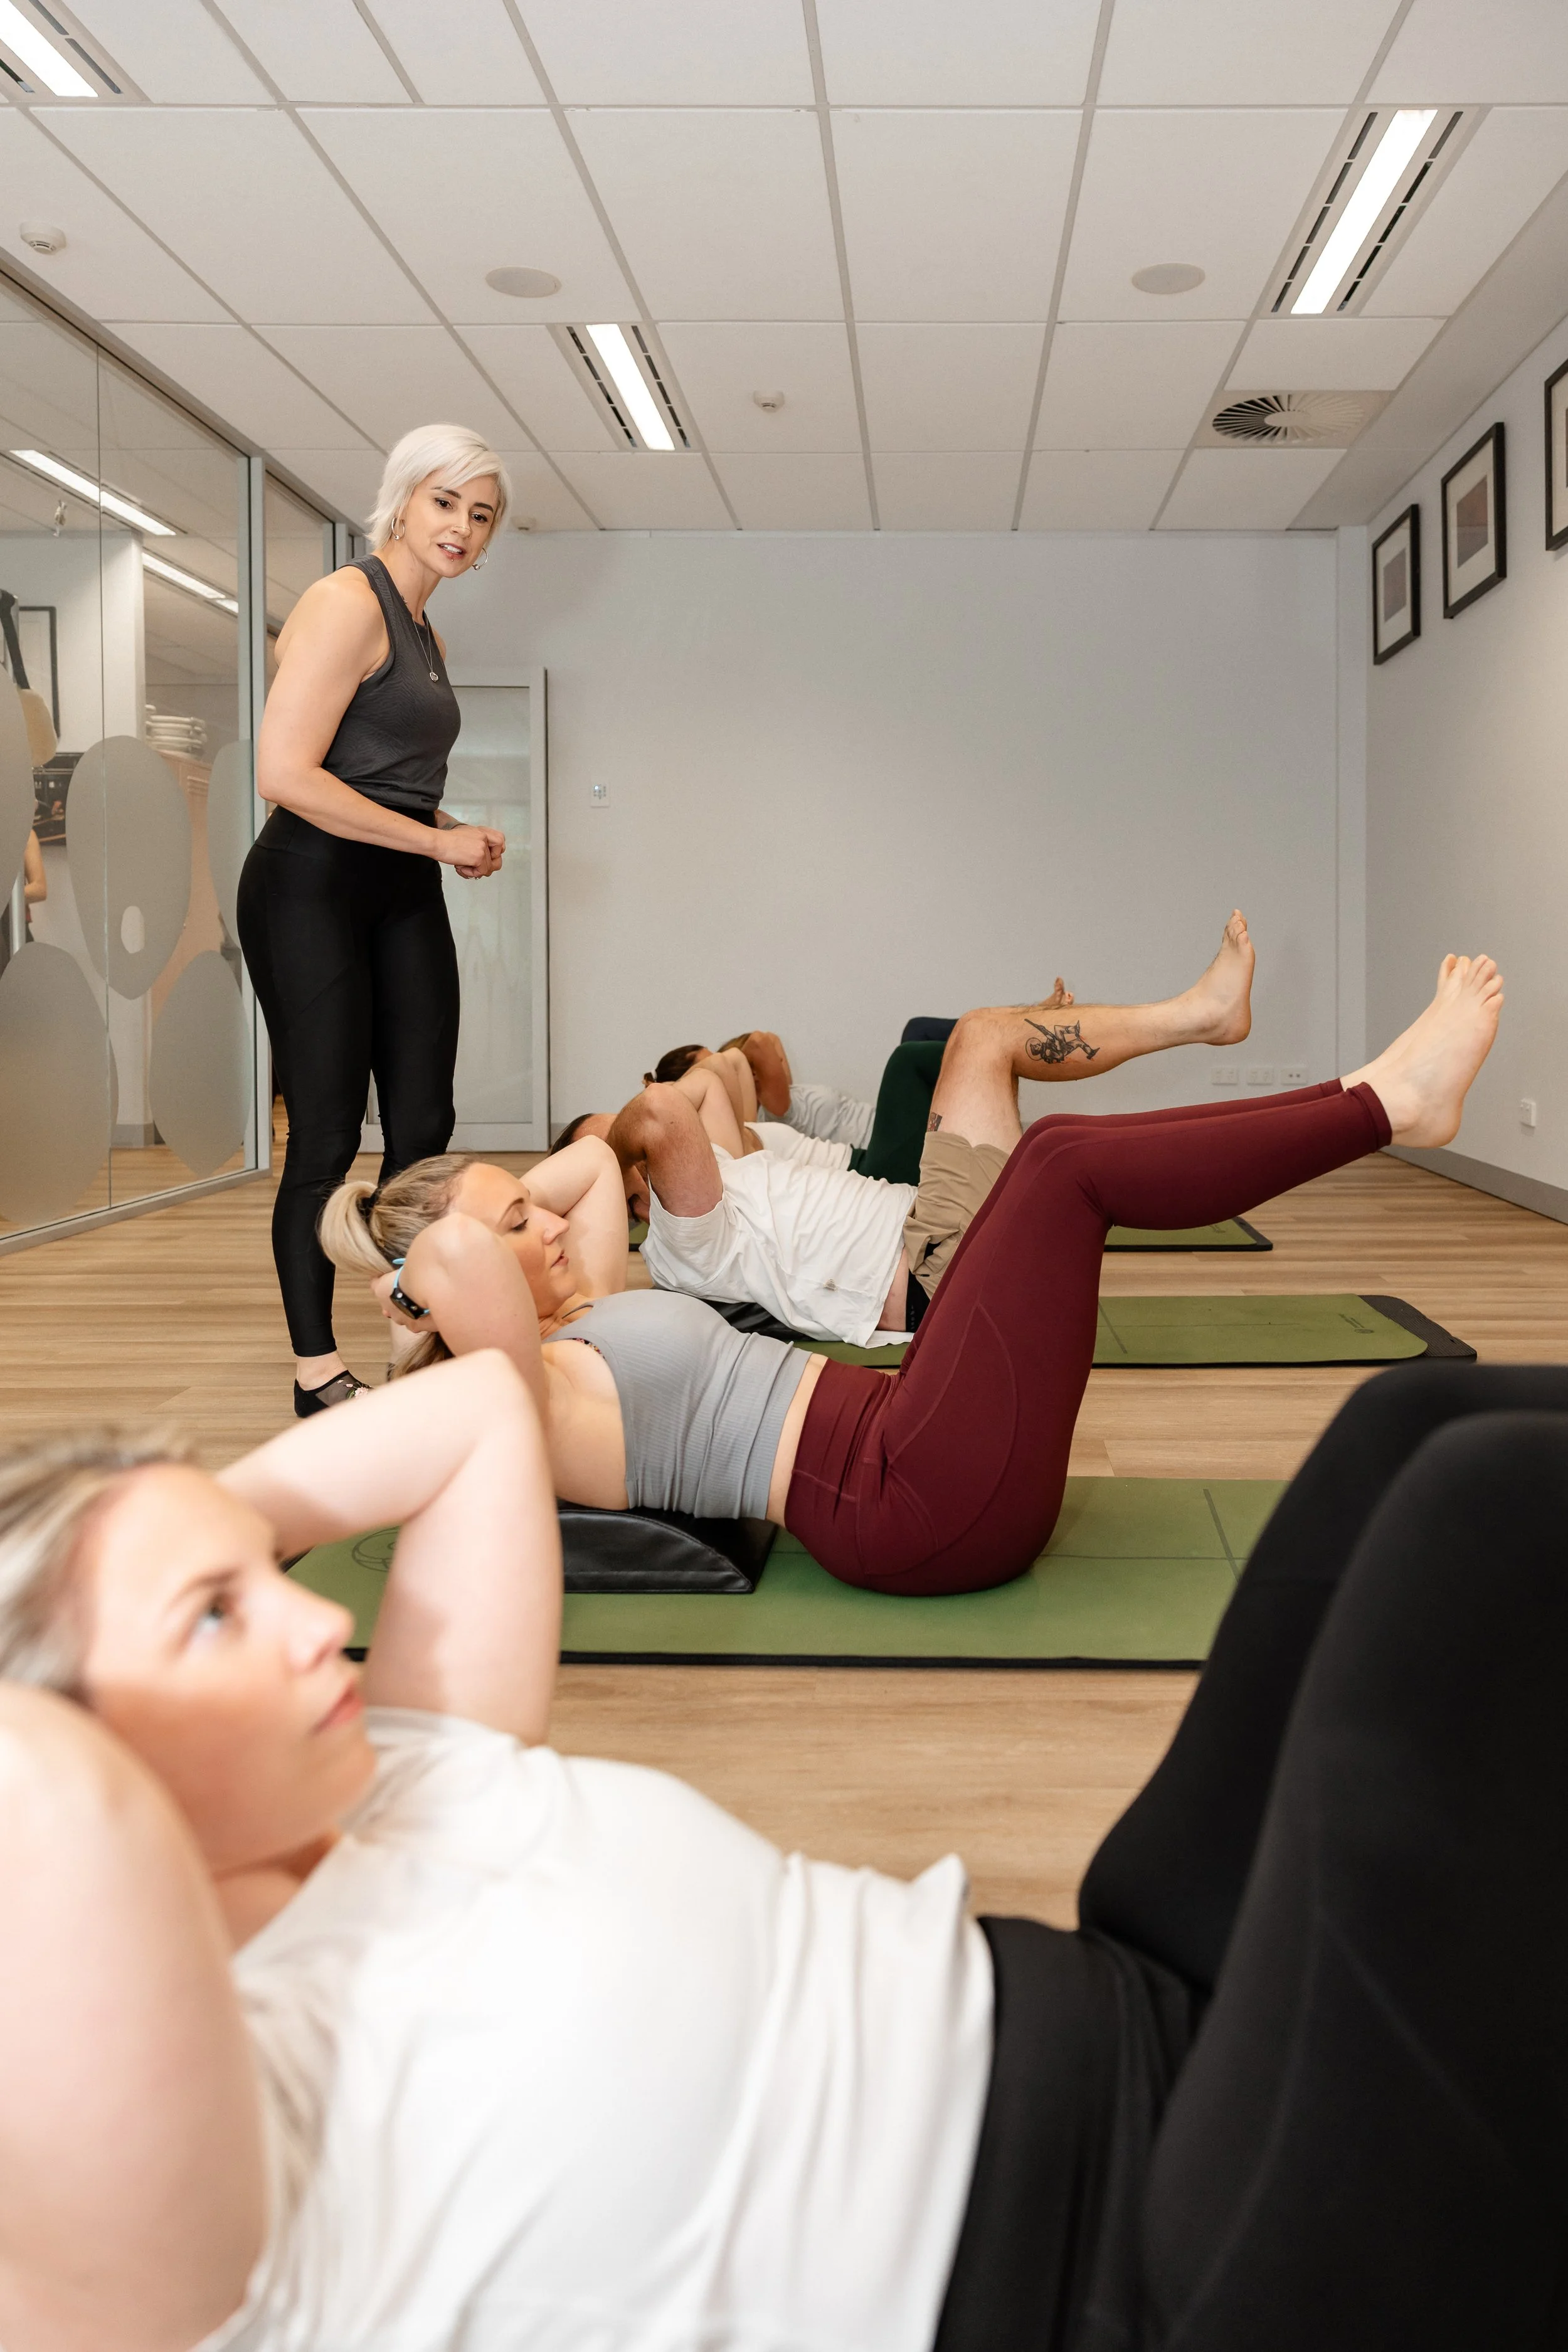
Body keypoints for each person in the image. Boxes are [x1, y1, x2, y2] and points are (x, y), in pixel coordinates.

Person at [0, 1338, 1563, 2350]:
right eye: (216, 1616)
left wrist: (149, 1527)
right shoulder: (181, 2186)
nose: (308, 1612)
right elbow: (69, 1822)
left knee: (1415, 1426)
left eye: (263, 1569)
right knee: (1486, 1533)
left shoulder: (396, 1761)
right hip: (1134, 2279)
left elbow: (483, 1409)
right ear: (80, 1734)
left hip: (1136, 2002)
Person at [323, 953, 1504, 1598]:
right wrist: (394, 1271)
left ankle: (1391, 1103)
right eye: (511, 1226)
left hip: (915, 1429)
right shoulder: (511, 1395)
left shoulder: (581, 1308)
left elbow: (591, 1164)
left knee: (1052, 1159)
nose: (542, 1225)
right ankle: (1389, 1105)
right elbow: (470, 1259)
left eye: (528, 1213)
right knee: (1062, 1168)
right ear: (446, 1289)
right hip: (911, 1500)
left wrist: (475, 1214)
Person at [563, 915, 1258, 1341]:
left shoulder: (722, 1177)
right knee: (976, 1047)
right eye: (615, 1153)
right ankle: (1199, 1015)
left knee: (979, 1037)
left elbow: (716, 1081)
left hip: (934, 1231)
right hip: (938, 1268)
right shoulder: (679, 1242)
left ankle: (1194, 1018)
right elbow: (660, 1113)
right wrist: (599, 1160)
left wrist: (610, 1156)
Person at [236, 423, 511, 1421]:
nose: (461, 527)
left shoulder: (425, 630)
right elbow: (286, 775)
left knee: (424, 1125)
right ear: (402, 499)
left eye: (479, 516)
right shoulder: (344, 602)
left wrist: (445, 830)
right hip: (310, 884)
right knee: (324, 1137)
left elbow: (374, 779)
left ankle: (414, 1325)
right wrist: (437, 844)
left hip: (397, 882)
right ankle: (317, 1372)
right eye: (446, 502)